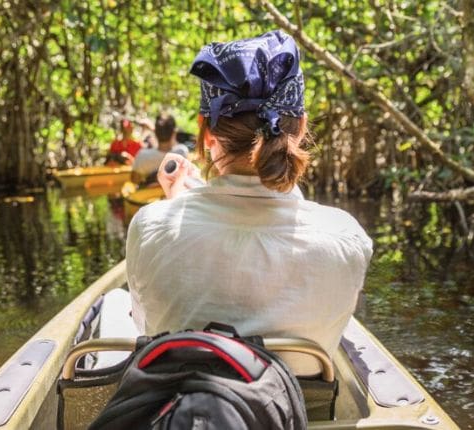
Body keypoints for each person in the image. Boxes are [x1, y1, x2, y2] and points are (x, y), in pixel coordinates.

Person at [125, 30, 373, 375]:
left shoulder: (151, 225)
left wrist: (173, 207)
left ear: (206, 131)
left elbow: (146, 326)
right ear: (300, 127)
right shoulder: (347, 236)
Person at [129, 113, 190, 185]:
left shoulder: (142, 155)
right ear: (174, 133)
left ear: (155, 132)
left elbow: (134, 180)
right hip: (173, 195)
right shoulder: (181, 152)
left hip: (149, 195)